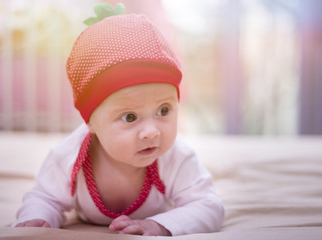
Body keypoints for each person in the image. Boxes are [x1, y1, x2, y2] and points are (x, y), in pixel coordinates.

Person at [12, 11, 224, 236]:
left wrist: (158, 225)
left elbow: (208, 206)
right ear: (90, 121)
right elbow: (45, 197)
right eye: (130, 117)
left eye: (163, 110)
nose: (151, 132)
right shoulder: (69, 158)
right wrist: (37, 217)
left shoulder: (175, 158)